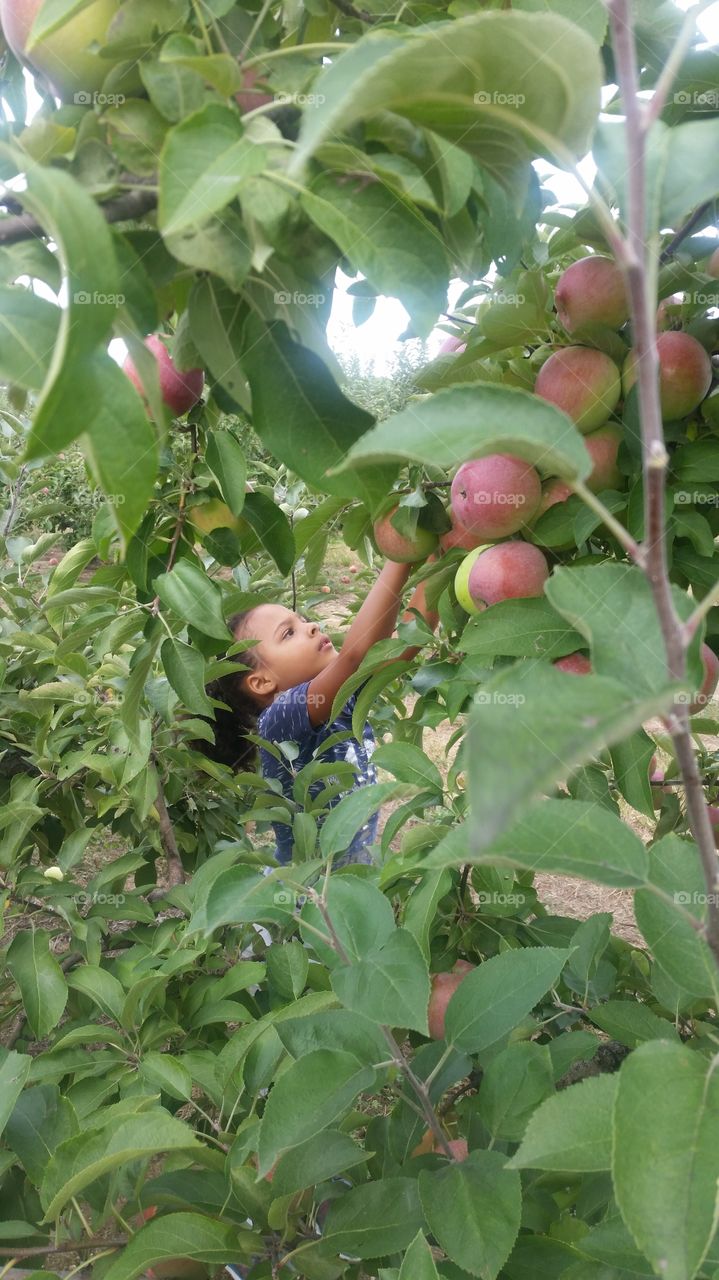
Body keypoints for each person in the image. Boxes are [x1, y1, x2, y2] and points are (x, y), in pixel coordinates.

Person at [199, 556, 440, 869]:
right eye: (288, 633)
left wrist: (439, 560)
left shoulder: (343, 696)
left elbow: (404, 644)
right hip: (304, 896)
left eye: (301, 620)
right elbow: (354, 656)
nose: (311, 626)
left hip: (346, 876)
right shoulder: (280, 720)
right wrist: (400, 556)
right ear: (261, 682)